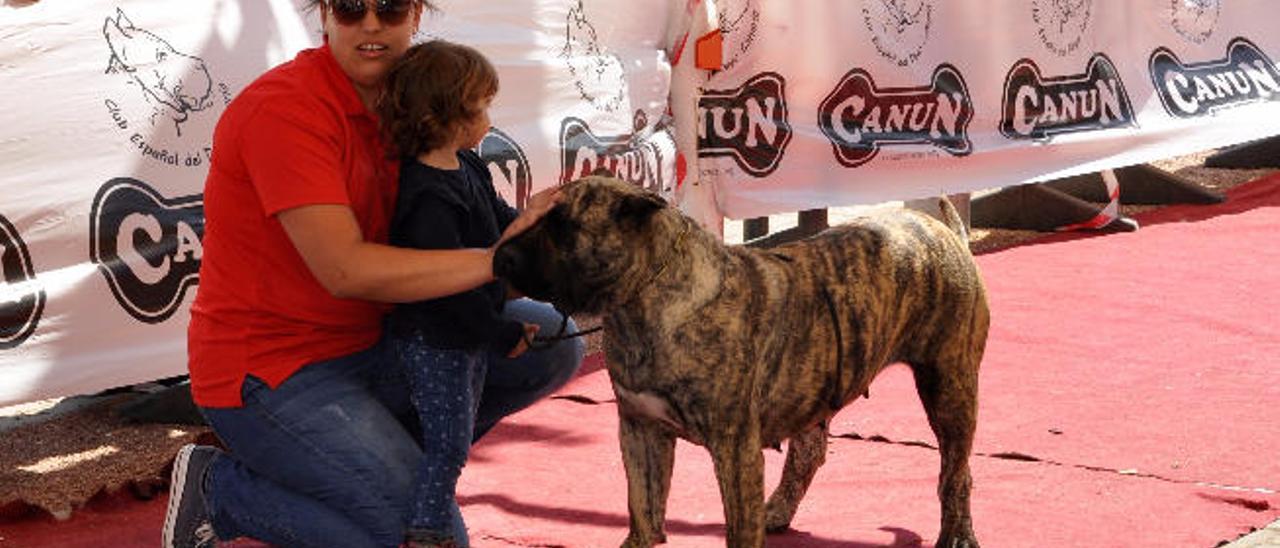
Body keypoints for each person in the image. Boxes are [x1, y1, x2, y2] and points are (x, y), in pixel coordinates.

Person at [162, 1, 583, 547]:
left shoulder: (419, 106)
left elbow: (485, 258)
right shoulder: (284, 109)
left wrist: (546, 232)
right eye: (350, 6)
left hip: (385, 342)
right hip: (271, 373)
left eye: (388, 7)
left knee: (554, 341)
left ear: (415, 14)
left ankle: (373, 472)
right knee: (426, 538)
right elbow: (345, 271)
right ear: (325, 15)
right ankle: (222, 491)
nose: (370, 24)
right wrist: (496, 259)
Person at [377, 40, 533, 547]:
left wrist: (540, 223)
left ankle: (425, 514)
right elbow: (447, 292)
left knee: (455, 438)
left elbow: (502, 228)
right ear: (444, 116)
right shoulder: (424, 195)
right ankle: (425, 529)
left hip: (463, 336)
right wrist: (500, 332)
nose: (489, 117)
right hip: (435, 342)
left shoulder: (470, 168)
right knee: (447, 443)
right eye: (480, 106)